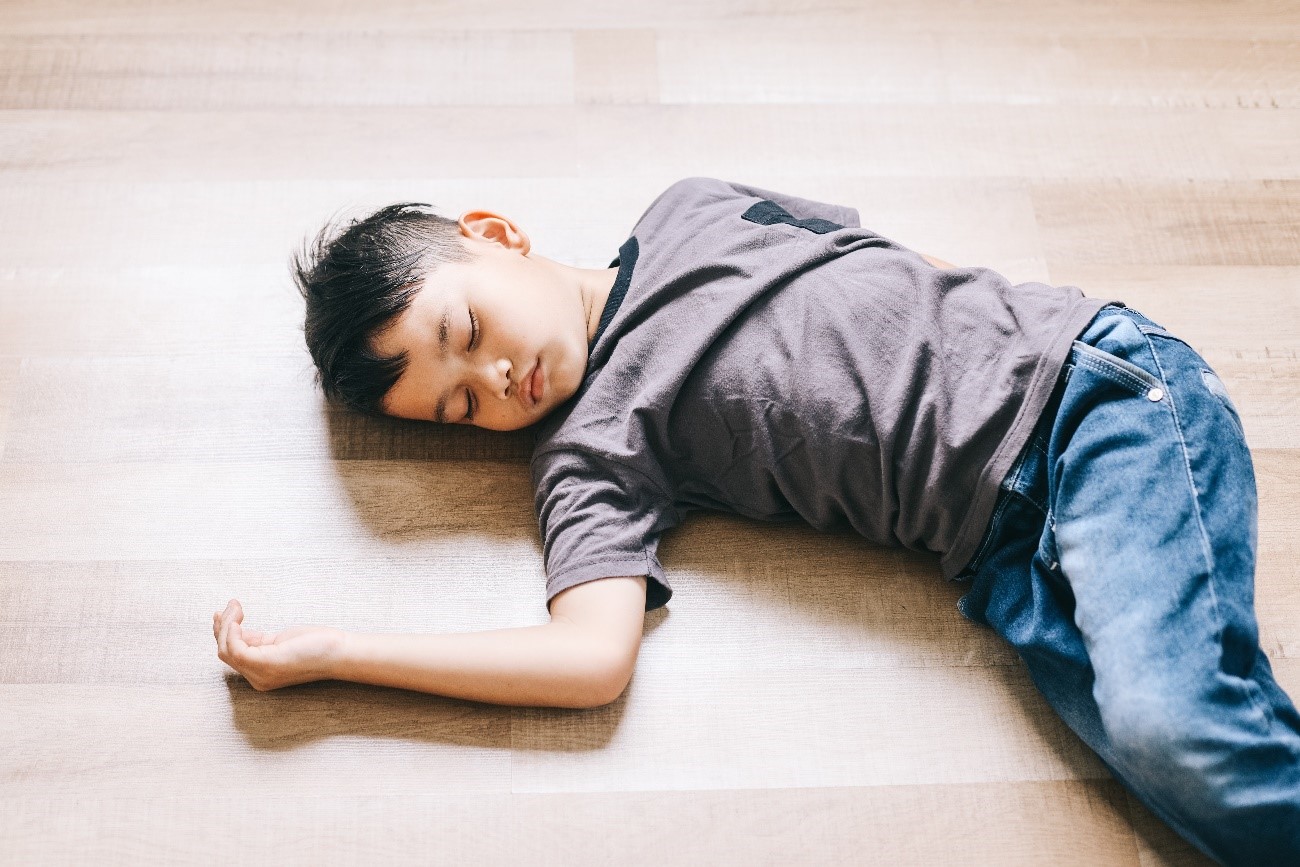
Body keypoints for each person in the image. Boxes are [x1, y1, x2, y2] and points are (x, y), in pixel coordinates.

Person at [212, 177, 1300, 864]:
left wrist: (1008, 320)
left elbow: (884, 257)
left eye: (468, 328)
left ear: (495, 234)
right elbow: (588, 660)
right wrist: (337, 655)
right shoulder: (587, 458)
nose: (495, 376)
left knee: (1176, 733)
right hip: (1003, 556)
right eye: (462, 407)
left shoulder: (686, 212)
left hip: (1084, 399)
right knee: (1171, 764)